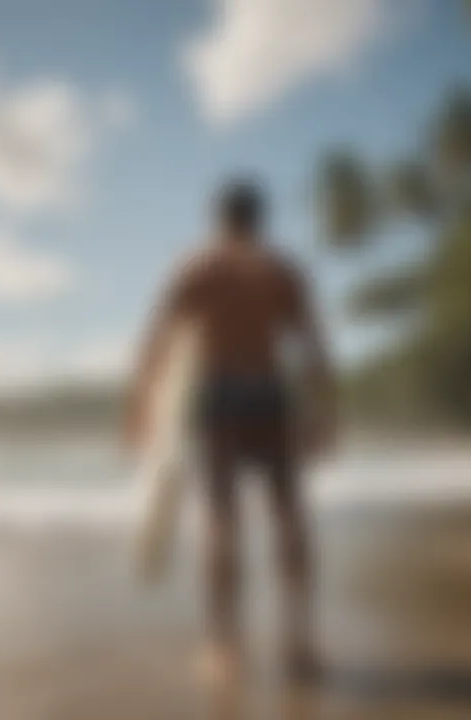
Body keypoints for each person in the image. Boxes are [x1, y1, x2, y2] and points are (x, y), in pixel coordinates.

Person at [124, 178, 337, 684]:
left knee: (221, 520)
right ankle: (300, 642)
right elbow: (313, 348)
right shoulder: (283, 271)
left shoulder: (196, 267)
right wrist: (324, 415)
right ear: (261, 219)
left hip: (219, 398)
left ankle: (224, 648)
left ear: (216, 218)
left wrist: (139, 412)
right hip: (270, 395)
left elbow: (156, 343)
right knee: (290, 516)